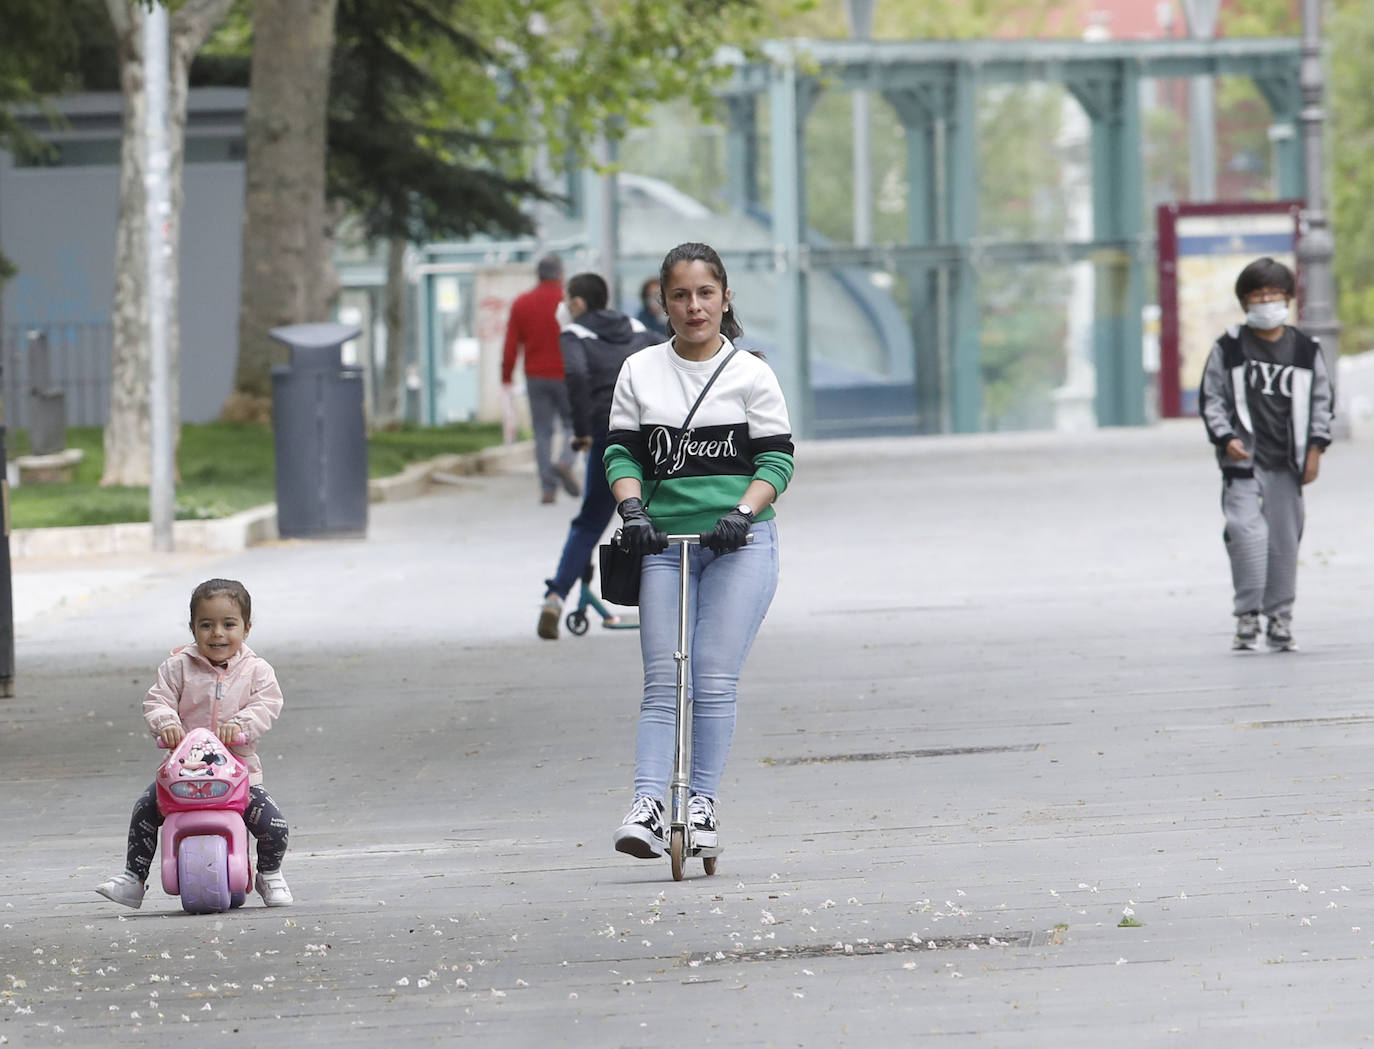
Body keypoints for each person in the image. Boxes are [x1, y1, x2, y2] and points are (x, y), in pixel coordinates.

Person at [603, 242, 794, 859]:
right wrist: (632, 509)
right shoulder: (640, 371)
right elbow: (622, 452)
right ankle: (648, 805)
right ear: (663, 301)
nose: (693, 307)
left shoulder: (751, 374)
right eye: (680, 295)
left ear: (724, 298)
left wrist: (743, 512)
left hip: (737, 544)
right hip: (663, 543)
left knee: (710, 677)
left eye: (705, 294)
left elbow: (777, 459)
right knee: (663, 678)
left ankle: (701, 803)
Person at [95, 579, 293, 908]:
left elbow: (267, 704)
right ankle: (134, 878)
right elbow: (157, 701)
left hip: (238, 774)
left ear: (246, 628)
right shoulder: (177, 668)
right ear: (193, 628)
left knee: (273, 825)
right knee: (144, 809)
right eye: (206, 625)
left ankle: (269, 873)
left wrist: (241, 725)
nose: (217, 633)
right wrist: (168, 724)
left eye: (229, 624)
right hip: (182, 775)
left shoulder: (256, 671)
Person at [1199, 256, 1334, 652]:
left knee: (1283, 542)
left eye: (1273, 294)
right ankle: (1246, 616)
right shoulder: (1229, 346)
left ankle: (1280, 618)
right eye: (1257, 295)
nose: (1266, 301)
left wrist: (1315, 450)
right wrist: (1225, 438)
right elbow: (1212, 399)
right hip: (1242, 463)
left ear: (1288, 298)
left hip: (1287, 464)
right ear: (1244, 302)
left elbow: (1323, 402)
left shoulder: (1306, 349)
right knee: (1245, 535)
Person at [538, 272, 660, 639]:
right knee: (660, 515)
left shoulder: (574, 334)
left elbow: (575, 373)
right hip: (653, 433)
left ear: (576, 303)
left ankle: (556, 596)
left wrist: (582, 430)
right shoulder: (637, 328)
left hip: (612, 436)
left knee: (591, 520)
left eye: (566, 299)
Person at [502, 254, 580, 504]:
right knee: (574, 425)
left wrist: (506, 376)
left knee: (542, 432)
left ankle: (548, 489)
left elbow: (511, 344)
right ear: (560, 274)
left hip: (535, 375)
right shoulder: (570, 303)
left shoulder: (522, 303)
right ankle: (565, 461)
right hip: (568, 373)